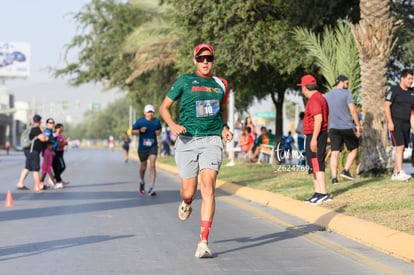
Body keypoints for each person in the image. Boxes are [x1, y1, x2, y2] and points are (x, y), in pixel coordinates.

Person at [159, 43, 233, 258]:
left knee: (208, 187)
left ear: (213, 60)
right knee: (189, 191)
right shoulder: (184, 81)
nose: (205, 62)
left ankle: (203, 241)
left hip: (211, 140)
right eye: (201, 59)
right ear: (195, 60)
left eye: (208, 58)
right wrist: (172, 125)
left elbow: (222, 110)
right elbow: (164, 107)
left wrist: (224, 128)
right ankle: (186, 202)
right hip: (187, 140)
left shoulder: (221, 84)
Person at [297, 74, 331, 204]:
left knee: (317, 163)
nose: (302, 91)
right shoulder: (319, 98)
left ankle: (323, 193)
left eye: (302, 87)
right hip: (316, 134)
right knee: (314, 163)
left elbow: (318, 119)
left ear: (305, 88)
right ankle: (318, 192)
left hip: (316, 134)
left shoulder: (315, 99)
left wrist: (314, 139)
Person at [324, 75, 361, 184]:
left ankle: (334, 179)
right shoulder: (347, 94)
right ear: (341, 82)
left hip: (333, 128)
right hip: (346, 127)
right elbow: (353, 111)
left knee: (335, 152)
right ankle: (345, 170)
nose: (347, 85)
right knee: (354, 149)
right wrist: (358, 125)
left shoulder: (327, 95)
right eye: (346, 83)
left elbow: (327, 112)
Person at [384, 68, 414, 181]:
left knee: (402, 148)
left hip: (406, 124)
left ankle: (396, 172)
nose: (411, 81)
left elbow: (412, 112)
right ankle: (399, 173)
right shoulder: (394, 90)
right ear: (402, 78)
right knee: (400, 146)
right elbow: (386, 105)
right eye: (409, 78)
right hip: (395, 123)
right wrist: (390, 122)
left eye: (412, 79)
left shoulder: (412, 92)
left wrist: (412, 127)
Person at [132, 104, 162, 196]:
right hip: (142, 147)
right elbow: (132, 132)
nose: (150, 114)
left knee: (152, 165)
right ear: (145, 113)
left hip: (153, 146)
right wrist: (140, 131)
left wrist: (158, 132)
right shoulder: (140, 121)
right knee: (143, 166)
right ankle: (141, 181)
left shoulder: (157, 121)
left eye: (152, 112)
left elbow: (159, 130)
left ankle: (152, 187)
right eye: (148, 112)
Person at [16, 114, 48, 191]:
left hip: (29, 150)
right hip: (33, 151)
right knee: (35, 169)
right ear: (40, 121)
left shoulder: (32, 128)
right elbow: (43, 139)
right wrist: (44, 134)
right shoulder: (36, 129)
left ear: (33, 121)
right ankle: (38, 185)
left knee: (27, 167)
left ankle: (20, 183)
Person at [53, 123, 70, 188]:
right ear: (57, 128)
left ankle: (58, 179)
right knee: (62, 167)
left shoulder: (60, 135)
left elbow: (62, 143)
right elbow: (58, 144)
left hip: (61, 152)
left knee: (60, 167)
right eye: (61, 127)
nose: (62, 129)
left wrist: (65, 142)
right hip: (57, 152)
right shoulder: (55, 135)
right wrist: (65, 142)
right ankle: (55, 177)